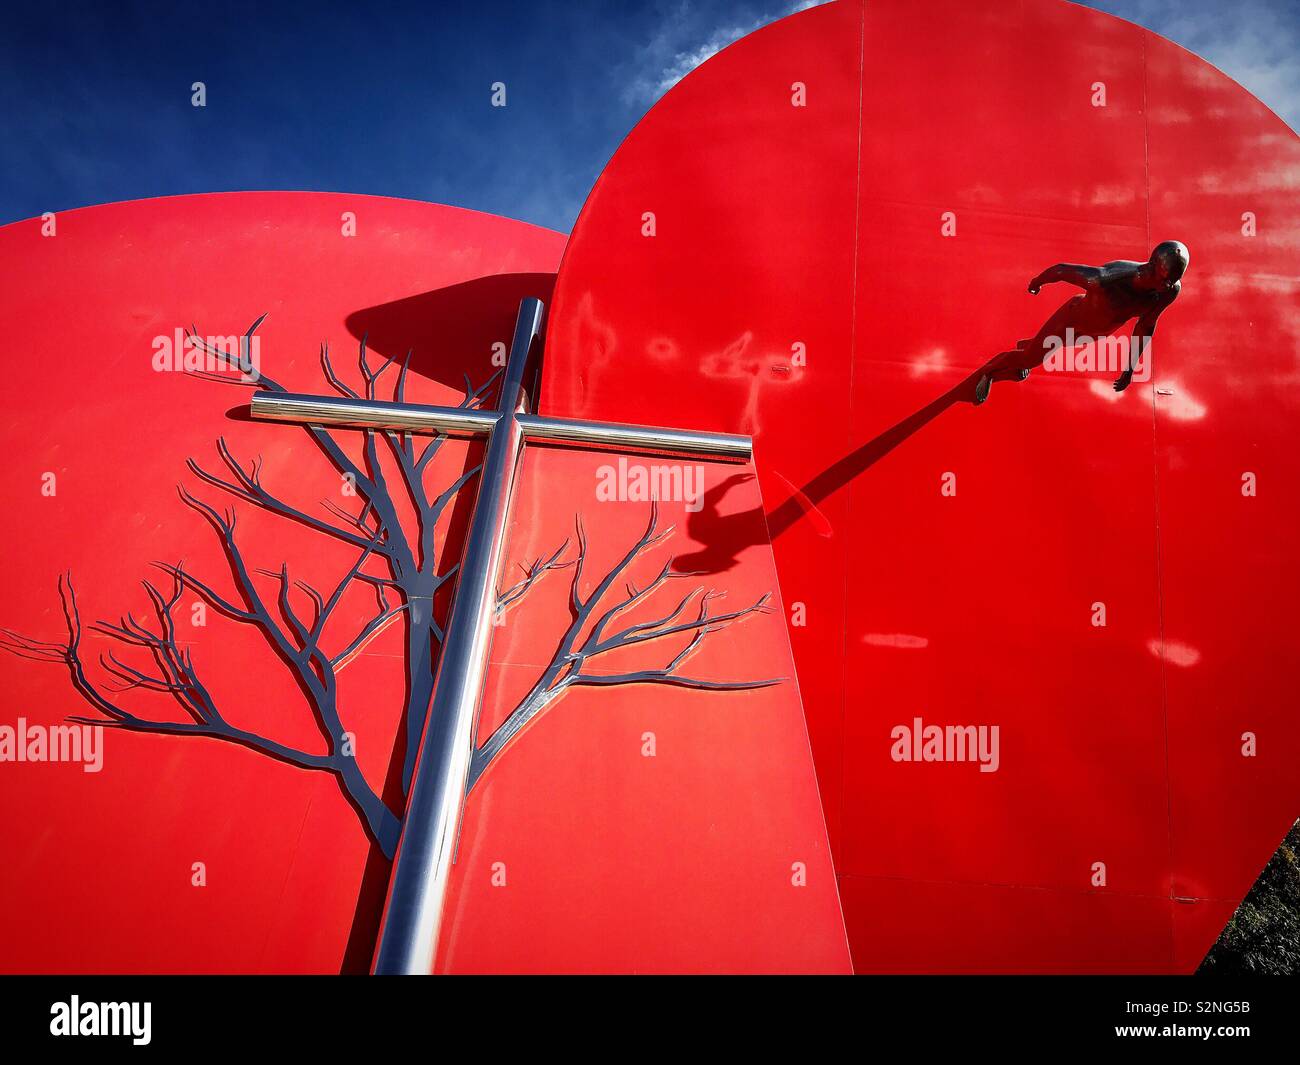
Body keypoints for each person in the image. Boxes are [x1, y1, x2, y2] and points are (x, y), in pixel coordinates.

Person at [974, 240, 1189, 405]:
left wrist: (1130, 369)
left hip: (1096, 332)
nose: (1169, 285)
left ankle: (1029, 347)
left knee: (1046, 348)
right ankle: (989, 372)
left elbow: (1145, 326)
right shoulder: (1108, 279)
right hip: (1071, 320)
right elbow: (1062, 270)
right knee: (1030, 359)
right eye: (1165, 279)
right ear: (1152, 266)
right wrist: (1037, 282)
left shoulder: (1168, 290)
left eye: (1173, 280)